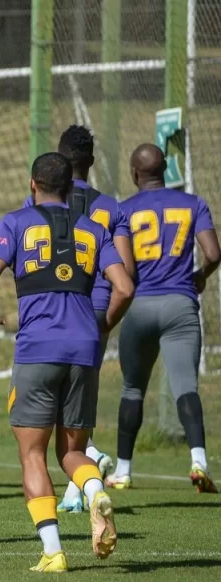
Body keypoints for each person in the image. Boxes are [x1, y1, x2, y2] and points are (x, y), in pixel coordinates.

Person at [0, 152, 133, 573]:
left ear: (32, 184)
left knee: (32, 455)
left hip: (38, 349)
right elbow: (124, 287)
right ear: (71, 188)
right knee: (72, 451)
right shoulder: (94, 228)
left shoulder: (15, 222)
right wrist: (101, 326)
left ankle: (54, 551)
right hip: (84, 349)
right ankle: (95, 491)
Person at [25, 126, 134, 513]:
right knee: (78, 403)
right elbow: (127, 272)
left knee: (46, 405)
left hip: (50, 309)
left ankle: (84, 474)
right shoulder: (112, 208)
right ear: (90, 161)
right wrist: (105, 323)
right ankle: (81, 482)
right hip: (96, 309)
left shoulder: (39, 200)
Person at [106, 144, 221, 493]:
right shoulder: (193, 203)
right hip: (180, 305)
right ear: (166, 169)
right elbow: (213, 253)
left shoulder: (123, 209)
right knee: (186, 386)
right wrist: (200, 275)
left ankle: (123, 471)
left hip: (139, 305)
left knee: (132, 388)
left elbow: (122, 268)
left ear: (134, 173)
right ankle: (198, 461)